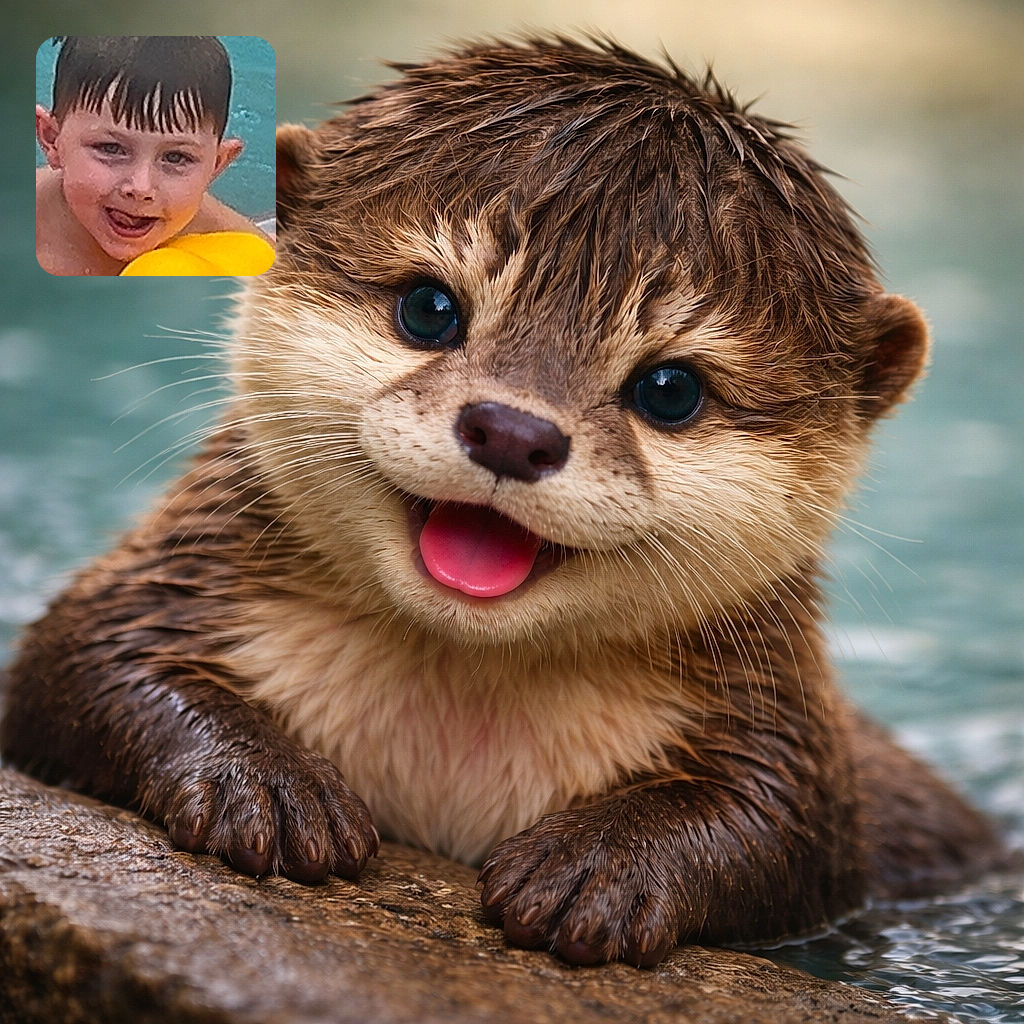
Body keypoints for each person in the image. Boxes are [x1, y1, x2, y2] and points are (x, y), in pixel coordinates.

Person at [36, 36, 274, 276]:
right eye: (111, 148)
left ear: (216, 164)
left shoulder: (222, 234)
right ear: (51, 139)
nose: (141, 187)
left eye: (175, 157)